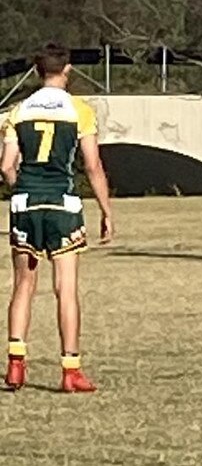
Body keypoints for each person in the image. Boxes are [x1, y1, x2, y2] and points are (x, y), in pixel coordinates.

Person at [0, 43, 113, 393]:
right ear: (66, 71)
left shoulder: (18, 112)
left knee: (23, 285)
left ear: (36, 72)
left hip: (25, 204)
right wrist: (107, 211)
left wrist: (24, 189)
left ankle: (16, 364)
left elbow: (5, 166)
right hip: (63, 205)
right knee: (65, 288)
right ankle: (71, 370)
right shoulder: (79, 110)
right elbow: (92, 165)